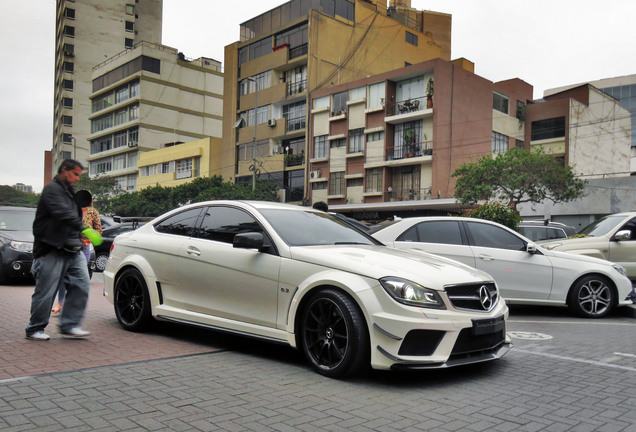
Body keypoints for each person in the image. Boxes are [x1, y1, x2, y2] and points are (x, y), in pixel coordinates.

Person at [25, 159, 98, 340]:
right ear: (64, 170)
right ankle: (35, 329)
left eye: (79, 176)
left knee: (81, 284)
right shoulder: (52, 190)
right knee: (46, 291)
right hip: (51, 248)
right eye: (75, 174)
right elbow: (62, 214)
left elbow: (73, 216)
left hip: (73, 249)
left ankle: (69, 325)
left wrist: (80, 238)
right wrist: (85, 229)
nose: (76, 179)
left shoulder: (70, 191)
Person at [51, 190, 102, 315]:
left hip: (84, 247)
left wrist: (88, 233)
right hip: (68, 246)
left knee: (80, 277)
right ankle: (61, 303)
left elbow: (99, 231)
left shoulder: (93, 212)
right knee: (63, 276)